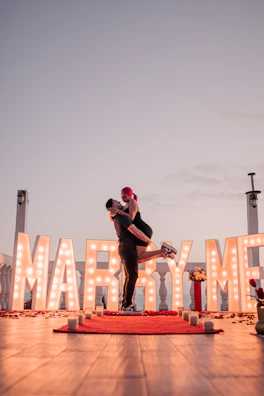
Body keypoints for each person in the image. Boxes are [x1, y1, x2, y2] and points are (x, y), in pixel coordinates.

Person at [105, 198, 177, 313]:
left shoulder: (118, 218)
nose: (119, 202)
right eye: (116, 202)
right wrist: (148, 241)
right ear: (112, 207)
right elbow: (136, 232)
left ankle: (126, 304)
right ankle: (127, 305)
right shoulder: (122, 218)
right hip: (128, 249)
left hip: (126, 249)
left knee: (131, 274)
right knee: (132, 276)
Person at [110, 186, 178, 261]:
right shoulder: (124, 207)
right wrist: (111, 214)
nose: (123, 198)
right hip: (138, 231)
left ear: (130, 195)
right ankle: (163, 253)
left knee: (139, 257)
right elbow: (118, 220)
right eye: (121, 196)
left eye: (125, 196)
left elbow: (131, 217)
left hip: (142, 229)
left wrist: (119, 212)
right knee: (138, 260)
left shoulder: (132, 202)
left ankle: (163, 250)